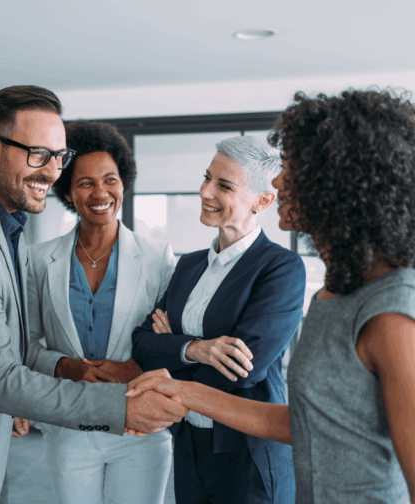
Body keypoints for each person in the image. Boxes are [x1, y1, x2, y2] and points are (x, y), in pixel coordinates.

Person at [0, 85, 188, 504]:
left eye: (57, 157)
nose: (50, 171)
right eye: (38, 154)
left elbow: (15, 346)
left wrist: (83, 369)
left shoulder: (4, 223)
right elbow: (0, 377)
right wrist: (116, 404)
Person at [128, 89, 415, 504]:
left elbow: (247, 370)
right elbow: (302, 422)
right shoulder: (334, 295)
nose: (278, 182)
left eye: (293, 169)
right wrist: (187, 383)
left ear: (340, 183)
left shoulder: (390, 313)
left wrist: (178, 353)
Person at [130, 135, 305, 504]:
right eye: (207, 177)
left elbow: (245, 368)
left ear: (264, 200)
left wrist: (173, 355)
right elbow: (144, 344)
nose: (205, 191)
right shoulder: (189, 265)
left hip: (247, 454)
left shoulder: (281, 268)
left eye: (223, 185)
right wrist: (197, 348)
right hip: (188, 445)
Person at [26, 120, 176, 504]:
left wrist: (139, 368)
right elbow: (25, 346)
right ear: (67, 192)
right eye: (85, 183)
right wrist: (66, 367)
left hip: (138, 426)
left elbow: (172, 342)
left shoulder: (158, 259)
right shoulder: (41, 260)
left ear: (123, 183)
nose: (100, 192)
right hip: (71, 424)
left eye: (110, 179)